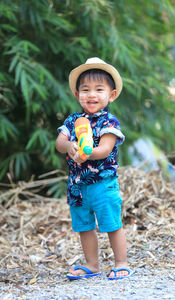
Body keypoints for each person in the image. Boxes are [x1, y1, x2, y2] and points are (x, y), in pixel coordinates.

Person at [56, 57, 133, 280]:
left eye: (99, 89)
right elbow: (60, 143)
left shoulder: (109, 122)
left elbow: (106, 149)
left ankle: (121, 262)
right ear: (77, 94)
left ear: (112, 95)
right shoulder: (72, 121)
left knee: (111, 222)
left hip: (103, 183)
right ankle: (92, 263)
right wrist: (70, 145)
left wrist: (87, 152)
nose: (91, 94)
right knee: (84, 225)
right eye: (85, 90)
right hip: (77, 185)